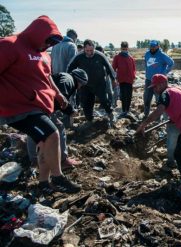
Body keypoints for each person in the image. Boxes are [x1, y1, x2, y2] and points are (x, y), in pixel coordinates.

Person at [0, 15, 81, 194]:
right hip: (18, 107)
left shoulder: (44, 55)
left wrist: (58, 95)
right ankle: (58, 178)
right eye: (47, 41)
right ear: (37, 34)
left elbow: (47, 78)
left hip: (38, 105)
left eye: (52, 43)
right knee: (53, 134)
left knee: (44, 142)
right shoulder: (10, 45)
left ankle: (44, 182)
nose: (48, 46)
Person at [27, 69, 88, 170]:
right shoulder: (68, 80)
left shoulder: (64, 77)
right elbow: (60, 97)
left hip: (35, 102)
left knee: (33, 129)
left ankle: (34, 160)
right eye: (82, 85)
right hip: (42, 105)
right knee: (58, 127)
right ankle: (62, 160)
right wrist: (70, 111)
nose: (80, 87)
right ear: (80, 81)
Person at [67, 39, 116, 127]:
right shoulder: (79, 56)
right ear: (84, 49)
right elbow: (70, 68)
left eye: (91, 50)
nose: (90, 52)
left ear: (94, 48)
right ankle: (89, 120)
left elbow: (109, 67)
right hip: (85, 85)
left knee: (104, 100)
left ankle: (111, 114)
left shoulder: (100, 55)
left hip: (99, 83)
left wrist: (113, 79)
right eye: (87, 50)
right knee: (86, 103)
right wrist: (72, 81)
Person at [143, 40, 174, 118]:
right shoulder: (147, 54)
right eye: (151, 46)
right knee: (146, 98)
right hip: (148, 80)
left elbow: (171, 63)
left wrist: (164, 72)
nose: (152, 48)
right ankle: (146, 114)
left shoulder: (162, 55)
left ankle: (159, 117)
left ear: (157, 46)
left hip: (159, 82)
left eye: (154, 46)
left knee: (159, 99)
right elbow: (146, 64)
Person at [112, 41, 136, 118]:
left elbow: (133, 69)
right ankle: (123, 110)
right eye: (123, 49)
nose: (124, 50)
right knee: (123, 96)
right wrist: (114, 79)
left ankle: (127, 110)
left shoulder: (130, 58)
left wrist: (134, 77)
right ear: (121, 48)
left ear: (127, 48)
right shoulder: (117, 57)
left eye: (125, 49)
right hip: (121, 80)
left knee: (129, 96)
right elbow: (113, 68)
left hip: (130, 80)